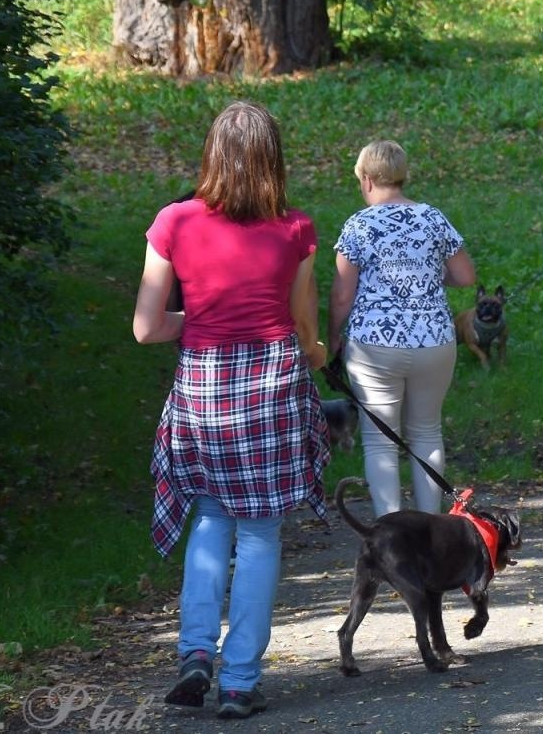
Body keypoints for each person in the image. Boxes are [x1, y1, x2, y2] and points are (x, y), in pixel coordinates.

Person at [134, 101, 331, 720]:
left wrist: (200, 319)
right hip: (271, 388)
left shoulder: (174, 222)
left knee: (211, 517)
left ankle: (195, 653)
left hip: (204, 389)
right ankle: (241, 680)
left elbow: (145, 328)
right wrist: (320, 352)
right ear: (273, 161)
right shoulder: (295, 228)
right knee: (262, 531)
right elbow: (303, 329)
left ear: (213, 156)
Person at [328, 140, 476, 519]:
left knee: (380, 442)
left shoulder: (359, 225)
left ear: (366, 179)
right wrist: (425, 275)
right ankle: (430, 527)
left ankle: (391, 532)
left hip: (374, 345)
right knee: (426, 432)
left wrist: (331, 337)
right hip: (434, 341)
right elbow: (465, 276)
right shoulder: (432, 217)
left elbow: (343, 294)